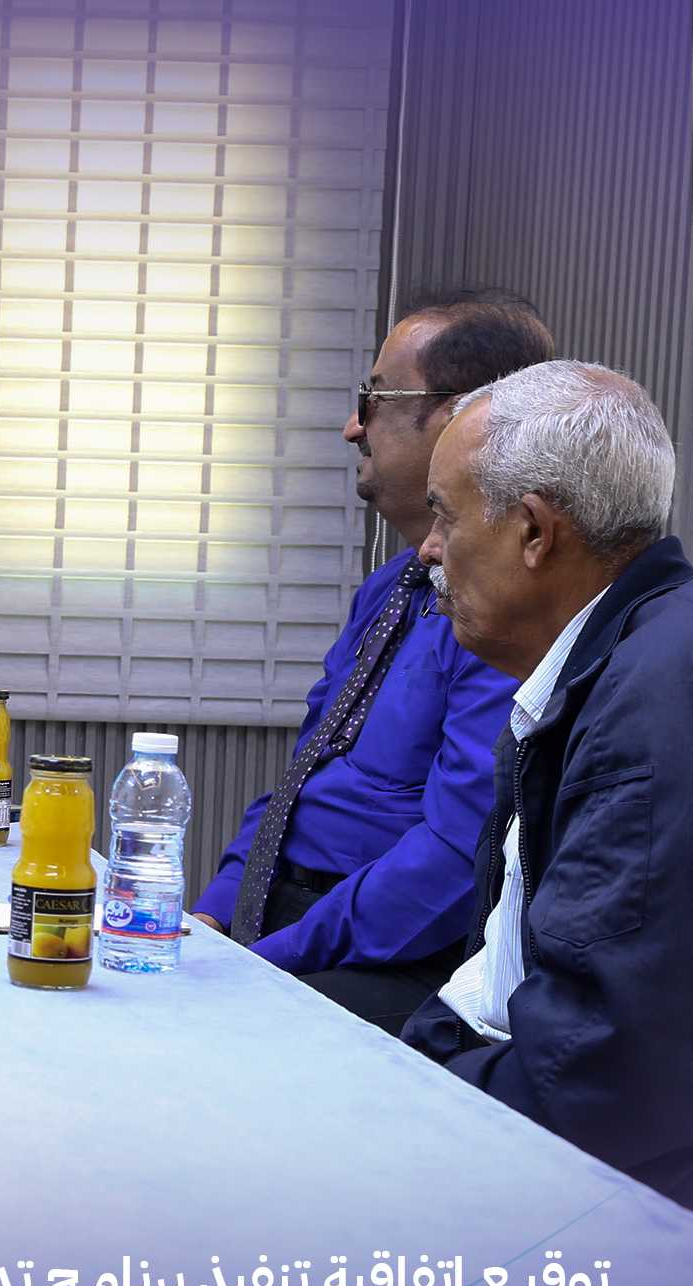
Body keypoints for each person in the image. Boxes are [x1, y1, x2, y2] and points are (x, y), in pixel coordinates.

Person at [191, 292, 552, 1031]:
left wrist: (272, 958)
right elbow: (302, 778)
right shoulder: (392, 588)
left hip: (388, 951)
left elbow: (456, 856)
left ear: (461, 418)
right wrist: (217, 912)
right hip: (297, 913)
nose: (353, 426)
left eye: (375, 398)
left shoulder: (501, 613)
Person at [398, 362, 691, 1204]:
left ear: (533, 532)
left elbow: (595, 1079)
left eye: (445, 517)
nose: (427, 550)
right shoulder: (618, 661)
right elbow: (503, 975)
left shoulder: (653, 704)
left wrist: (409, 1097)